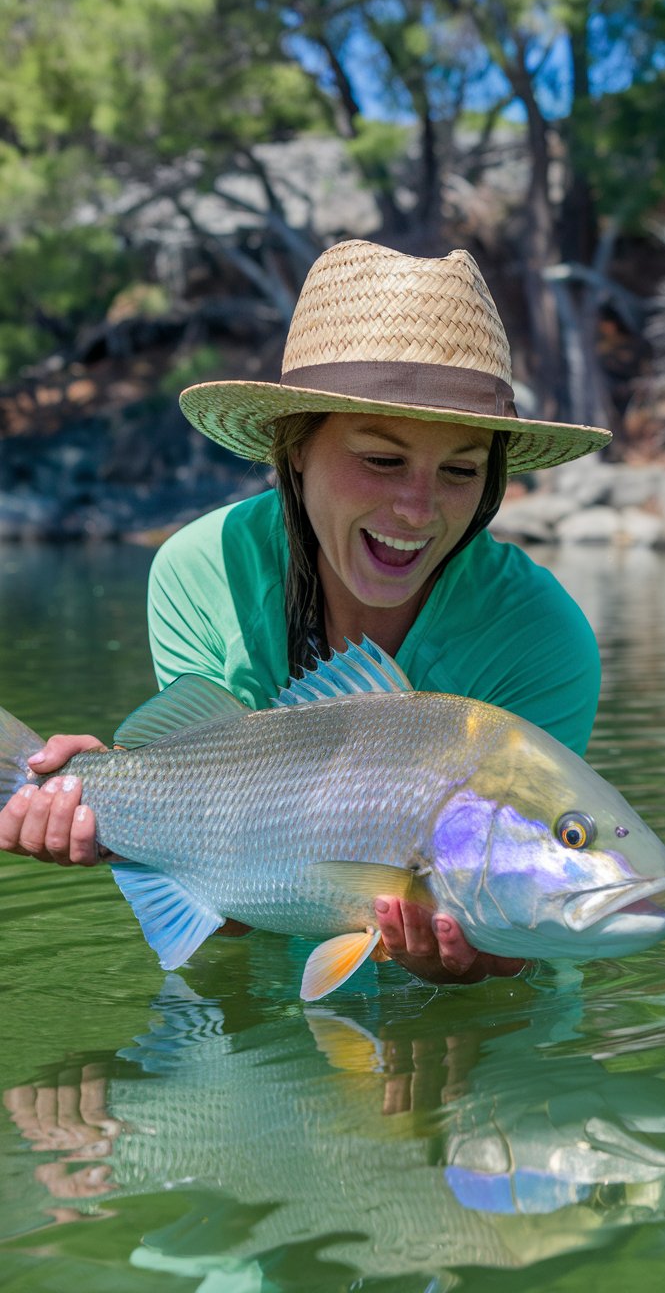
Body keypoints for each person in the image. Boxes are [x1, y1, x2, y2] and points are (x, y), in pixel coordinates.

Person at [0, 239, 611, 984]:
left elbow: (524, 935)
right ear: (293, 448)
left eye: (460, 470)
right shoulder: (203, 571)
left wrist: (483, 961)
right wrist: (103, 821)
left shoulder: (544, 640)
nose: (417, 510)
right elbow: (227, 918)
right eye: (381, 460)